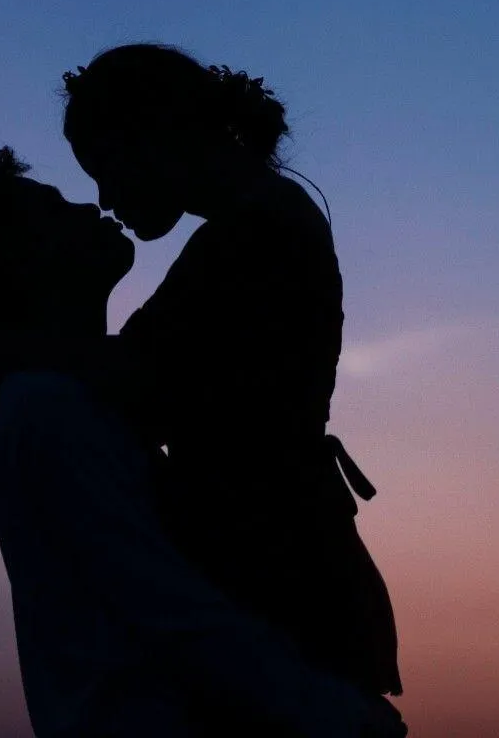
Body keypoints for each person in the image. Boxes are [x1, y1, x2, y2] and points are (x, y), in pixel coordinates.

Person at [0, 147, 404, 738]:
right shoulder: (46, 410)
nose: (89, 205)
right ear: (20, 263)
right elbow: (163, 604)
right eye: (53, 209)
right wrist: (337, 716)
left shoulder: (69, 397)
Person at [62, 46, 402, 699]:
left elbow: (135, 386)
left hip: (277, 585)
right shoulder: (260, 222)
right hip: (286, 577)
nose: (104, 199)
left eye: (105, 169)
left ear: (154, 134)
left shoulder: (255, 234)